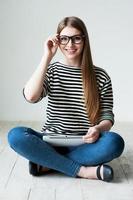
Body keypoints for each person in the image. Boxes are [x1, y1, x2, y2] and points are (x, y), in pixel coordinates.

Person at [8, 16, 125, 182]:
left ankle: (48, 163)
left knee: (115, 142)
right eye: (64, 39)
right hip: (50, 141)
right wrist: (46, 57)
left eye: (76, 38)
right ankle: (84, 171)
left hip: (85, 143)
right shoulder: (52, 70)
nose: (70, 45)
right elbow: (31, 96)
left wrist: (98, 129)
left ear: (84, 40)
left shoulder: (101, 76)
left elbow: (107, 116)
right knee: (15, 135)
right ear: (58, 40)